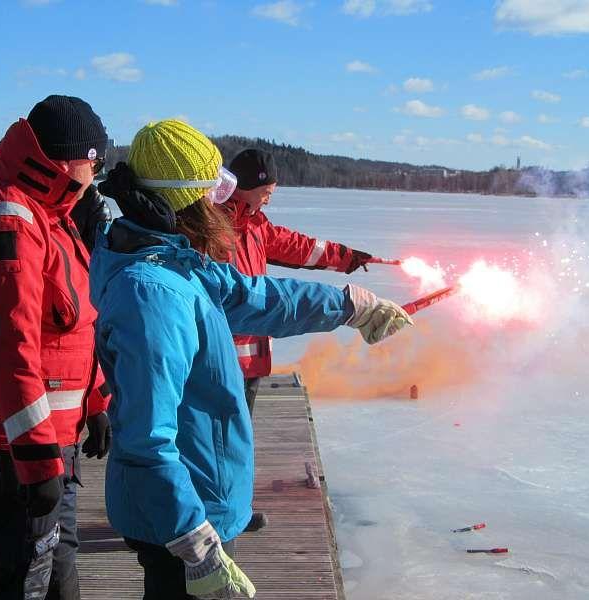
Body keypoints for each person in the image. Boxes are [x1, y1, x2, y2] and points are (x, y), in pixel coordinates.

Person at [90, 119, 413, 600]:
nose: (219, 203)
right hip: (184, 515)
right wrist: (194, 544)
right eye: (210, 191)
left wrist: (349, 305)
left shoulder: (175, 260)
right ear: (185, 200)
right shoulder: (152, 293)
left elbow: (255, 296)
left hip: (203, 497)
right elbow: (146, 438)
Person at [0, 95, 111, 599]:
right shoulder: (7, 220)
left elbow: (70, 326)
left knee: (57, 568)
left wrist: (95, 399)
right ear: (66, 161)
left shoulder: (48, 213)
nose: (95, 172)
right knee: (20, 582)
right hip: (4, 448)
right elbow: (11, 350)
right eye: (93, 160)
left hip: (47, 438)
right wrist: (35, 462)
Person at [218, 148, 377, 532]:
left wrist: (344, 256)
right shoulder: (216, 227)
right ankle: (219, 513)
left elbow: (295, 246)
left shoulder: (255, 223)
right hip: (222, 357)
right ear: (244, 187)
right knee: (220, 441)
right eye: (266, 191)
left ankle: (233, 509)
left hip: (251, 360)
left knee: (237, 440)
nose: (270, 198)